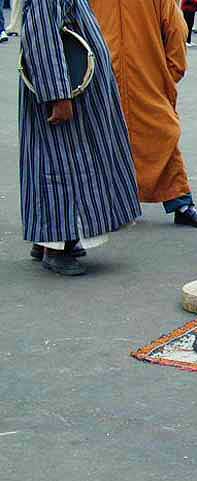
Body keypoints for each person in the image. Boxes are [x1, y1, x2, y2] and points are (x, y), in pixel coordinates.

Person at [20, 0, 141, 275]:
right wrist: (58, 95)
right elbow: (42, 36)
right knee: (62, 166)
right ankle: (55, 248)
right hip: (66, 93)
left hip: (76, 90)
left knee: (70, 163)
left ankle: (55, 238)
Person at [90, 0, 197, 229]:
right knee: (108, 142)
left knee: (164, 136)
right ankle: (118, 206)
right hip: (106, 80)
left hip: (144, 79)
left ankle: (181, 203)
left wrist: (170, 74)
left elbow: (176, 29)